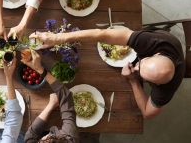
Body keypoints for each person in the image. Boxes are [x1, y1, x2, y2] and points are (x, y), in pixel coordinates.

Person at [30, 27, 185, 119]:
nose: (135, 66)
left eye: (140, 72)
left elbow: (147, 112)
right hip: (156, 39)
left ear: (157, 85)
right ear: (156, 54)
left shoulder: (167, 88)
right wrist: (59, 37)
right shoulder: (154, 42)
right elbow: (101, 33)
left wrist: (133, 80)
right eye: (141, 64)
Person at [22, 50, 79, 143]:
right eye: (48, 138)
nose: (45, 136)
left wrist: (51, 106)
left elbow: (30, 137)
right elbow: (66, 96)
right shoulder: (70, 139)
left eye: (40, 142)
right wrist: (40, 69)